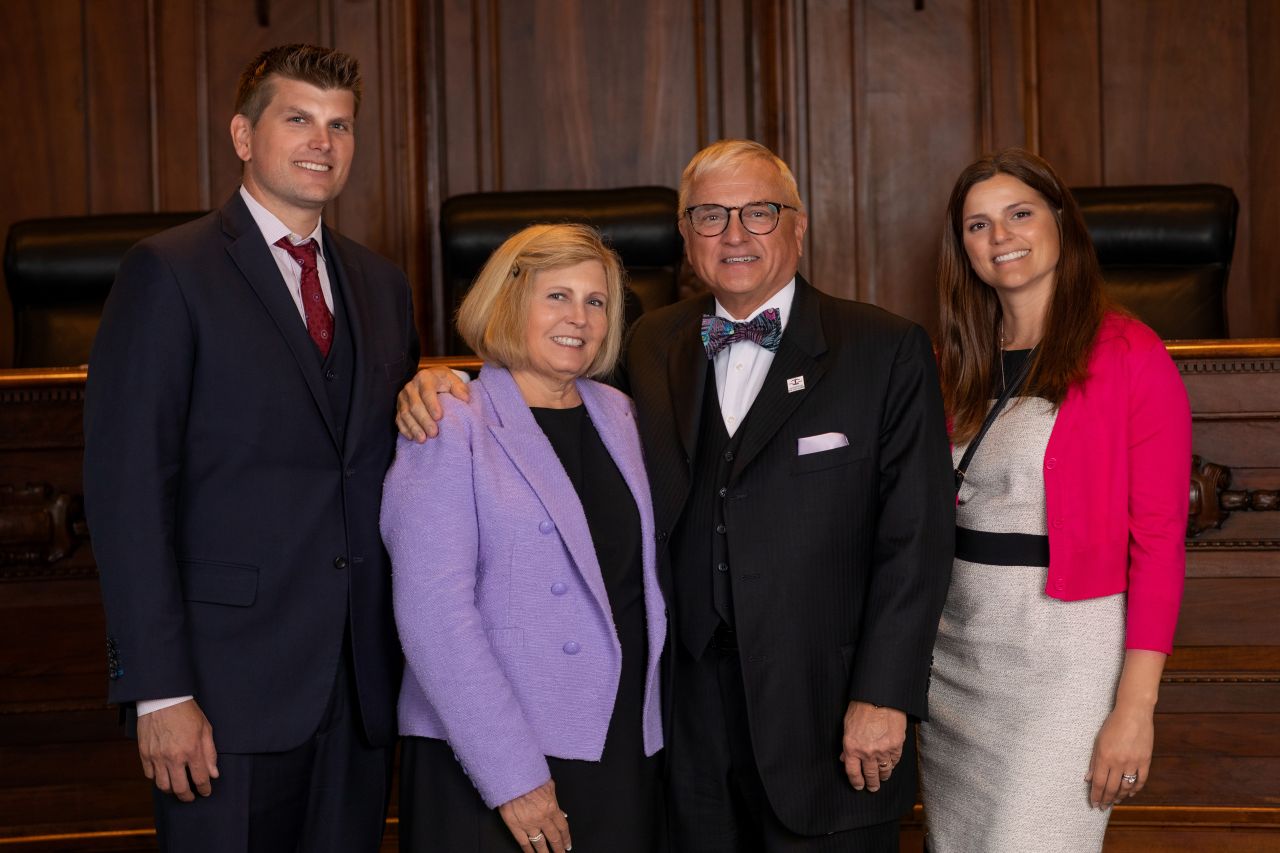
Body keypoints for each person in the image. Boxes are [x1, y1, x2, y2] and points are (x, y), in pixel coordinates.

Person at [397, 140, 955, 852]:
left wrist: (884, 692)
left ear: (799, 226)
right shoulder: (652, 342)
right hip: (680, 727)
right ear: (687, 238)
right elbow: (536, 397)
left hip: (823, 711)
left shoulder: (883, 347)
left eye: (759, 212)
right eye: (711, 215)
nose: (735, 234)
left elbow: (917, 536)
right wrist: (438, 380)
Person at [83, 44, 419, 852]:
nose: (322, 142)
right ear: (243, 135)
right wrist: (159, 691)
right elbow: (129, 492)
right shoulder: (168, 271)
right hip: (221, 692)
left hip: (359, 689)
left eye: (340, 125)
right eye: (298, 119)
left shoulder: (382, 285)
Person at [919, 147, 1190, 852]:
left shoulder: (1130, 353)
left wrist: (1135, 708)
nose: (1000, 236)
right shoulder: (953, 360)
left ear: (1060, 222)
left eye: (1019, 214)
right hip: (954, 654)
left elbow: (1159, 543)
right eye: (978, 225)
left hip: (1064, 655)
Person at [381, 223, 666, 853]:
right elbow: (434, 618)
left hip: (619, 744)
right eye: (557, 296)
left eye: (596, 301)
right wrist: (512, 777)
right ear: (509, 303)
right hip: (492, 755)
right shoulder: (450, 420)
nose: (580, 318)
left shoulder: (622, 414)